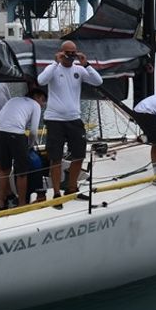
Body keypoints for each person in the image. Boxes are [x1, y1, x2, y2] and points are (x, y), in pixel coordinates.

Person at [37, 39, 103, 201]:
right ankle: (57, 193)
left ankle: (72, 188)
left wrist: (86, 64)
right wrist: (55, 62)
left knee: (79, 155)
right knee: (56, 157)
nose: (70, 57)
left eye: (73, 53)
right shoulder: (53, 69)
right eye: (68, 53)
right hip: (55, 120)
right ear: (61, 52)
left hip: (74, 119)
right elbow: (41, 81)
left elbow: (98, 81)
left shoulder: (79, 70)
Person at [0, 87, 47, 210]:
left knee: (3, 169)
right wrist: (30, 145)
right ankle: (22, 204)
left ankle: (1, 202)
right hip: (16, 134)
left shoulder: (13, 100)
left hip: (0, 132)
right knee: (22, 171)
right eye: (43, 101)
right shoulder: (35, 105)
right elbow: (33, 131)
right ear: (37, 97)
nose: (43, 105)